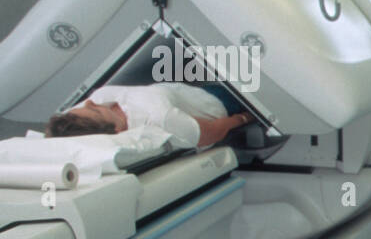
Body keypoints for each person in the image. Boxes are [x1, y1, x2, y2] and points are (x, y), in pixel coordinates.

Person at [45, 82, 253, 149]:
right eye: (95, 109)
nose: (90, 102)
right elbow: (211, 133)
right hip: (221, 100)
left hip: (184, 90)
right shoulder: (158, 117)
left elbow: (62, 128)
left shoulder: (90, 112)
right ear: (116, 131)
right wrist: (245, 117)